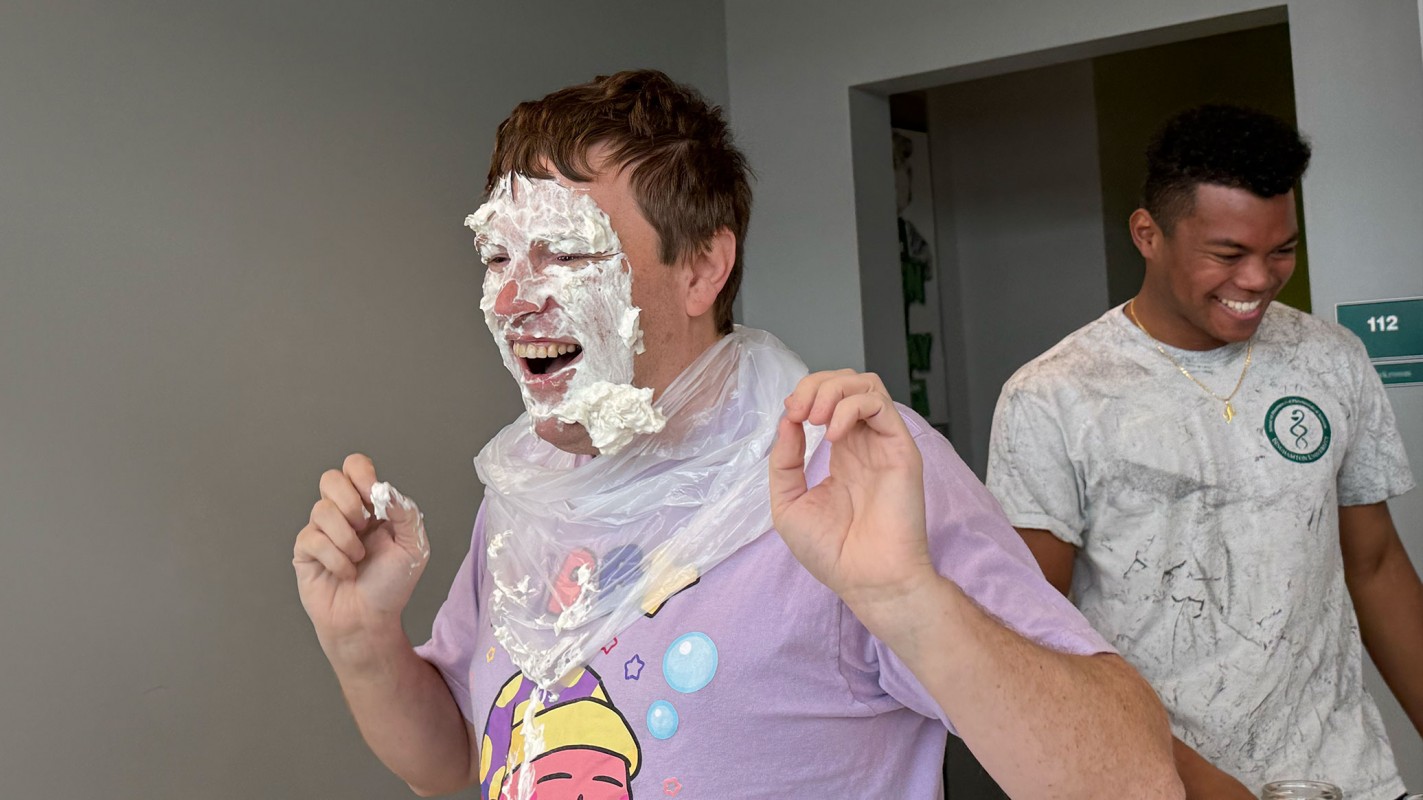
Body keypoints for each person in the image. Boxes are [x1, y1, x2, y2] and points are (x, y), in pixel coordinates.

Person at [293, 69, 1183, 799]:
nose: (513, 298)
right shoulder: (530, 495)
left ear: (702, 269)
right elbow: (459, 766)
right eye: (496, 256)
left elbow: (1133, 784)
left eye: (564, 253)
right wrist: (361, 638)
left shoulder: (854, 468)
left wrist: (909, 599)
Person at [987, 104, 1423, 799]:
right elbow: (1039, 633)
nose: (1257, 279)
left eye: (1280, 250)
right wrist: (1196, 783)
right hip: (1162, 782)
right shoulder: (1054, 396)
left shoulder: (1331, 361)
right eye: (1227, 254)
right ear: (1147, 234)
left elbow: (1373, 565)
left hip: (1348, 778)